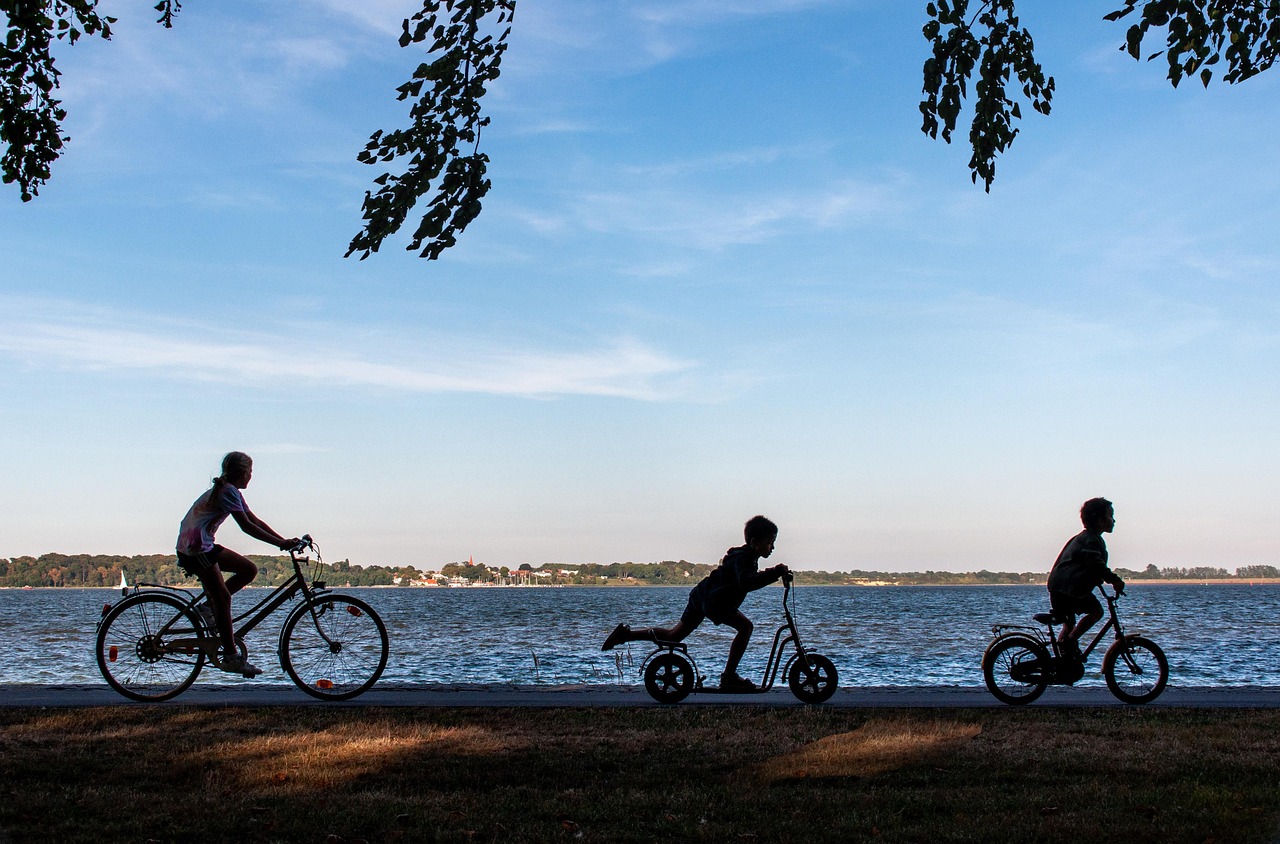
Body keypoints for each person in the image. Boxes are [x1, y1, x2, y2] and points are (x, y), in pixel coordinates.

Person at [600, 515, 790, 690]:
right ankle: (729, 677)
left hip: (702, 595)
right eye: (769, 543)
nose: (772, 548)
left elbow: (747, 579)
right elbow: (746, 582)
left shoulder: (744, 556)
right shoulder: (743, 558)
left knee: (673, 636)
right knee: (746, 627)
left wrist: (773, 573)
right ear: (755, 542)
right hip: (714, 601)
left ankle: (626, 635)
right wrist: (774, 573)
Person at [176, 452, 299, 677]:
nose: (251, 476)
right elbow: (247, 527)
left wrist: (283, 541)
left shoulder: (231, 491)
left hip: (201, 545)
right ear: (242, 472)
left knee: (249, 569)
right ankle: (231, 657)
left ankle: (206, 608)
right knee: (223, 597)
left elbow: (255, 520)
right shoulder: (228, 491)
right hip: (195, 548)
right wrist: (280, 543)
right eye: (250, 472)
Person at [1046, 497, 1125, 659]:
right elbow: (1096, 564)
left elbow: (1088, 567)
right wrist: (1114, 580)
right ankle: (1069, 643)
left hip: (1059, 589)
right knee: (1097, 612)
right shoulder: (1091, 539)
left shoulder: (1084, 538)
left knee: (1069, 624)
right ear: (1099, 520)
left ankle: (1064, 660)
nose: (1114, 520)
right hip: (1068, 590)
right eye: (1110, 516)